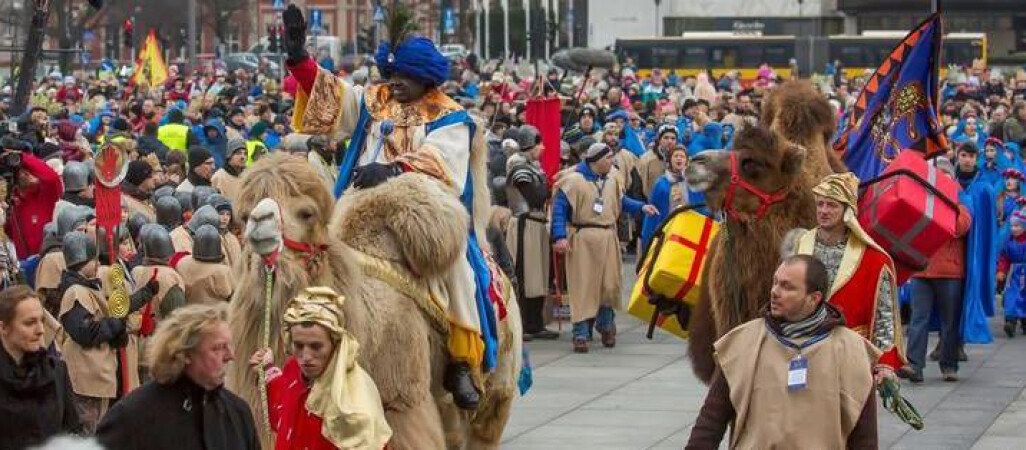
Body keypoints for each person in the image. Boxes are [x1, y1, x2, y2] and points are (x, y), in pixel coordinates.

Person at [283, 4, 496, 409]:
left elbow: (441, 165)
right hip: (356, 204)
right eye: (391, 74)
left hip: (417, 213)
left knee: (459, 270)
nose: (395, 83)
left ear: (426, 78)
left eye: (406, 77)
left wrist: (394, 170)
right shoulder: (373, 99)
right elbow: (331, 97)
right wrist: (298, 58)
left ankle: (462, 359)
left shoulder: (451, 118)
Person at [686, 255, 879, 449]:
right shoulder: (743, 343)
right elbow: (711, 421)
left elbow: (865, 438)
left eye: (787, 287)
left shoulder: (851, 351)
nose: (775, 292)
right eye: (775, 283)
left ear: (814, 298)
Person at [787, 173, 905, 378]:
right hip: (803, 352)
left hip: (851, 356)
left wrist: (884, 363)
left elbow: (884, 315)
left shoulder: (874, 259)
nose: (823, 211)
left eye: (832, 205)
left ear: (848, 211)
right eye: (820, 204)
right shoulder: (800, 245)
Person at [96, 303, 260, 450]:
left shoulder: (238, 414)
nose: (230, 355)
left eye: (229, 345)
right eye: (218, 348)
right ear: (185, 354)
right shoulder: (134, 416)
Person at [249, 287, 392, 450]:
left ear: (335, 345)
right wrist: (267, 370)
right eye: (299, 345)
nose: (306, 356)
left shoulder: (357, 404)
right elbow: (284, 410)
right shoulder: (294, 371)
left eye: (316, 347)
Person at [551, 143, 659, 353]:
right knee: (583, 286)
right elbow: (559, 210)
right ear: (596, 160)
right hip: (583, 237)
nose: (612, 161)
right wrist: (560, 236)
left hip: (608, 236)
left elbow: (620, 201)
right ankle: (580, 333)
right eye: (608, 157)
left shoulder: (613, 177)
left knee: (609, 285)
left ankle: (606, 324)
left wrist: (641, 207)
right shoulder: (573, 181)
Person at [56, 231, 150, 432]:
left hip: (96, 373)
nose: (97, 264)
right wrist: (115, 324)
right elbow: (86, 332)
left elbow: (113, 310)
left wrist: (144, 295)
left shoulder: (86, 288)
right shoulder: (75, 292)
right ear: (85, 261)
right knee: (89, 431)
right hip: (86, 377)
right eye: (94, 260)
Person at [901, 156, 976, 383]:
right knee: (918, 319)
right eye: (938, 176)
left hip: (950, 272)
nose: (942, 180)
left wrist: (946, 204)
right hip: (922, 270)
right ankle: (914, 365)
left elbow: (960, 227)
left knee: (950, 321)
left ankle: (949, 364)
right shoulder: (923, 201)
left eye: (946, 176)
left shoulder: (962, 203)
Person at [0, 286, 82, 449]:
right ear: (3, 328)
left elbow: (72, 429)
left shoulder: (57, 371)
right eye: (29, 323)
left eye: (41, 321)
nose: (40, 330)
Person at [504, 125, 558, 341]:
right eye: (539, 144)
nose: (543, 148)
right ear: (531, 144)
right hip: (524, 224)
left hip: (536, 224)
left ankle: (535, 322)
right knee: (524, 275)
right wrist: (547, 184)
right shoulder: (518, 165)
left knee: (539, 275)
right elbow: (535, 197)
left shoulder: (533, 166)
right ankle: (523, 324)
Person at [2, 135, 63, 258]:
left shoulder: (46, 192)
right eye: (22, 170)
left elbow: (51, 177)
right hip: (25, 266)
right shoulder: (12, 201)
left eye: (30, 170)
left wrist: (21, 157)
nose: (27, 173)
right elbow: (8, 232)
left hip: (47, 258)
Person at [640, 145, 707, 252]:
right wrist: (649, 237)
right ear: (670, 160)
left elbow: (702, 208)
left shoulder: (694, 182)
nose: (679, 158)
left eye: (682, 156)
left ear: (687, 160)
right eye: (676, 156)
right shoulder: (661, 183)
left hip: (690, 230)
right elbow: (654, 210)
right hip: (668, 230)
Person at [174, 225, 233, 304]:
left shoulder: (182, 263)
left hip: (186, 313)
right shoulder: (222, 271)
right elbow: (229, 295)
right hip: (212, 314)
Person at [998, 211, 1026, 337]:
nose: (1014, 229)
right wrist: (1001, 271)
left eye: (1017, 226)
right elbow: (1004, 258)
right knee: (1011, 296)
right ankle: (1010, 321)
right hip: (1013, 275)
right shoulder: (1009, 242)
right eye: (1012, 226)